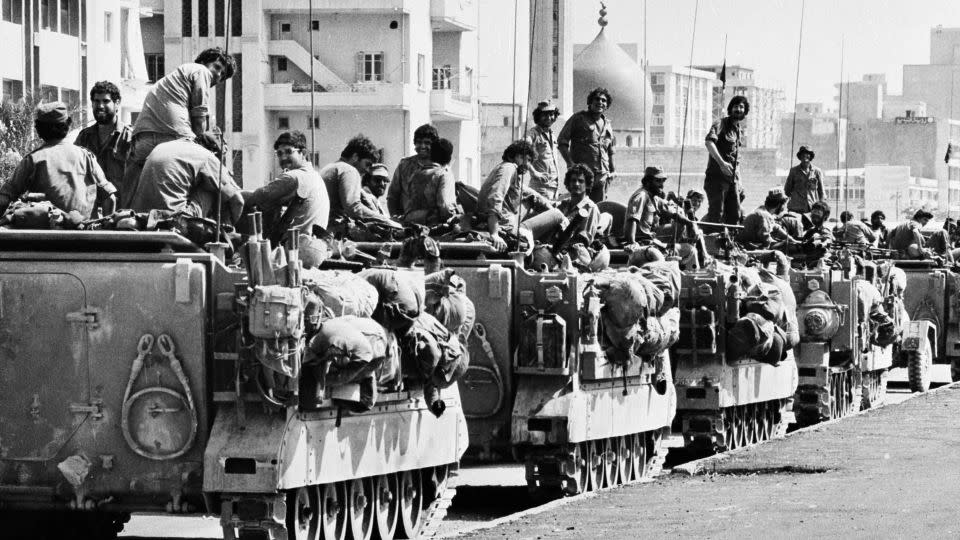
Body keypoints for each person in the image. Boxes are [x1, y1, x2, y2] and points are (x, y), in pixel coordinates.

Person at [121, 47, 236, 207]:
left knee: (136, 177)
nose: (218, 75)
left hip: (142, 140)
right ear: (203, 62)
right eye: (217, 67)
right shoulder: (200, 70)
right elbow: (199, 124)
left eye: (222, 75)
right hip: (175, 138)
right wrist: (208, 142)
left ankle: (124, 211)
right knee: (207, 178)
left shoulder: (174, 78)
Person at [0, 102, 116, 219]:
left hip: (47, 235)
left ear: (38, 130)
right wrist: (107, 229)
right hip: (85, 232)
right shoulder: (85, 156)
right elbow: (109, 197)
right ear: (68, 124)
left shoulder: (33, 160)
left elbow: (4, 198)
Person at [127, 134, 243, 225]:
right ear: (214, 152)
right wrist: (229, 228)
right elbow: (238, 201)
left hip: (139, 216)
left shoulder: (165, 146)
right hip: (174, 219)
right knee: (214, 189)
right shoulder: (207, 156)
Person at [243, 131, 330, 245]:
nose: (283, 157)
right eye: (279, 153)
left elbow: (255, 198)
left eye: (289, 152)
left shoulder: (294, 177)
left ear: (303, 153)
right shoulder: (314, 175)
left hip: (294, 246)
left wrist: (233, 194)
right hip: (311, 244)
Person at [474, 140, 551, 251]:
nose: (528, 165)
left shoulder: (504, 169)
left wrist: (551, 204)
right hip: (505, 226)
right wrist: (494, 233)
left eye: (530, 161)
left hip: (505, 220)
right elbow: (495, 197)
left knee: (532, 197)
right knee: (557, 215)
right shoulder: (509, 168)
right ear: (514, 156)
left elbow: (530, 193)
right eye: (525, 159)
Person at [623, 166, 697, 267]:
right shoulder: (641, 196)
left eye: (663, 181)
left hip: (653, 241)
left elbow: (673, 213)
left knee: (689, 249)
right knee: (660, 260)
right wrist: (632, 243)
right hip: (642, 244)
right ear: (648, 182)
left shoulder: (654, 198)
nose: (661, 185)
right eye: (658, 181)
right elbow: (632, 219)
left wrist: (689, 223)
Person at [320, 134, 393, 229]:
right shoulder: (349, 170)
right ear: (355, 157)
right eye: (367, 164)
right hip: (334, 232)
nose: (367, 170)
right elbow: (354, 208)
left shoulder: (328, 168)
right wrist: (386, 221)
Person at [557, 87, 616, 202]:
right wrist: (570, 164)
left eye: (604, 100)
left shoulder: (607, 124)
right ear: (590, 102)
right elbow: (562, 142)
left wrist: (613, 171)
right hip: (582, 177)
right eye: (597, 99)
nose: (600, 102)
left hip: (601, 178)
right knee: (578, 209)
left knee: (598, 210)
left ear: (607, 105)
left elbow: (610, 150)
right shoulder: (578, 119)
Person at [74, 80, 132, 189]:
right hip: (91, 204)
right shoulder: (84, 137)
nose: (100, 106)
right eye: (96, 101)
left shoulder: (129, 137)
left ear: (117, 103)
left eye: (106, 101)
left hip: (120, 204)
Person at [704, 96, 749, 227]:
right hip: (716, 179)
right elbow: (709, 142)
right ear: (730, 108)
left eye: (741, 107)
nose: (738, 109)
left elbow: (736, 160)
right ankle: (712, 245)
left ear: (745, 111)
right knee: (716, 215)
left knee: (734, 216)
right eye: (736, 106)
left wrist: (739, 182)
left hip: (732, 181)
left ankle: (730, 245)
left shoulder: (738, 131)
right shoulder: (721, 124)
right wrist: (721, 163)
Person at [399, 138, 460, 227]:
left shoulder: (415, 174)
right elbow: (444, 205)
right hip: (433, 224)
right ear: (449, 158)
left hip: (411, 222)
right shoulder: (444, 174)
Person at [388, 124, 438, 218]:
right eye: (419, 142)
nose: (422, 146)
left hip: (433, 224)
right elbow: (393, 196)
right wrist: (395, 219)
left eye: (427, 143)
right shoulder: (404, 165)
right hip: (408, 223)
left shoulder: (441, 168)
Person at [524, 100, 562, 199]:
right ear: (538, 116)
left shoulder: (552, 135)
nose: (549, 118)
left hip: (554, 188)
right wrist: (534, 172)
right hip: (540, 188)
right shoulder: (533, 134)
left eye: (552, 114)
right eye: (545, 115)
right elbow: (521, 151)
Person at [783, 145, 824, 214]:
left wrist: (821, 209)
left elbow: (822, 192)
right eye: (803, 154)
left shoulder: (817, 172)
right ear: (800, 156)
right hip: (796, 209)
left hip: (811, 209)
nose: (805, 156)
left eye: (807, 154)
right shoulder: (793, 171)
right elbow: (787, 190)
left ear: (811, 156)